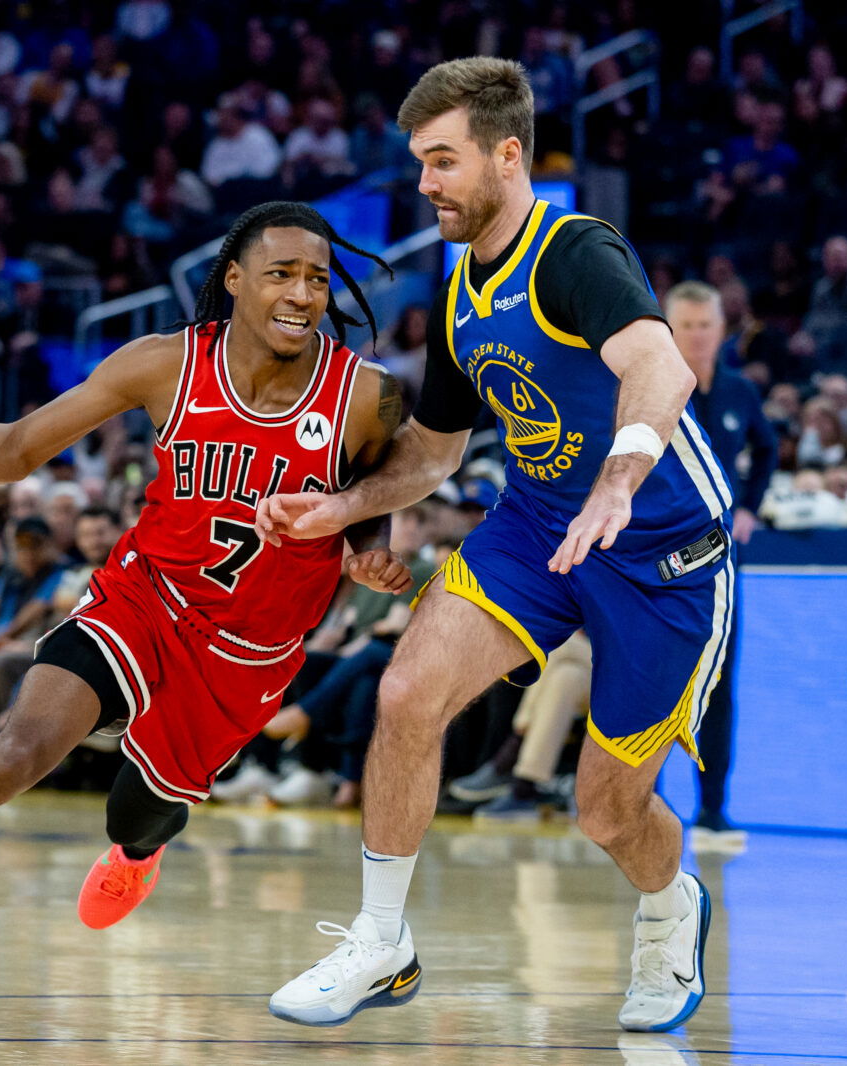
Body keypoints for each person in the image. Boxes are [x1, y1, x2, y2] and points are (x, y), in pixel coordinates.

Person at [0, 201, 410, 1014]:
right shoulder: (164, 365)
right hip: (143, 599)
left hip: (246, 651)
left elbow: (389, 478)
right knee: (12, 755)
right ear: (233, 280)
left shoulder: (364, 396)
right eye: (282, 273)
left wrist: (367, 538)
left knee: (140, 814)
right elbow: (19, 449)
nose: (304, 292)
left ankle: (136, 851)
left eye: (318, 278)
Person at [261, 58, 732, 1034]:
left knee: (604, 811)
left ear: (506, 155)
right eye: (419, 163)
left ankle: (668, 903)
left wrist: (620, 473)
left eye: (442, 160)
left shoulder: (575, 253)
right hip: (533, 525)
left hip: (661, 550)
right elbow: (432, 454)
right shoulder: (456, 293)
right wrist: (344, 506)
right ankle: (381, 938)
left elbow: (659, 366)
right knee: (404, 692)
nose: (424, 183)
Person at [663, 281, 776, 844]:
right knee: (656, 678)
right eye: (685, 326)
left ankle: (712, 810)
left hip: (721, 562)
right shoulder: (649, 389)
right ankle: (644, 802)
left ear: (721, 330)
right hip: (658, 558)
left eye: (705, 325)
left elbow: (769, 449)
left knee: (721, 682)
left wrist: (751, 506)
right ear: (667, 329)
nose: (697, 336)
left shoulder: (738, 392)